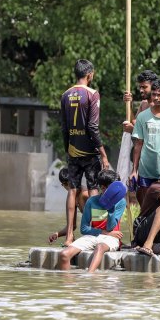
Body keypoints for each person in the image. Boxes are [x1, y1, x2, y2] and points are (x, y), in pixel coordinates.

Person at [60, 59, 110, 245]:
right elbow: (92, 126)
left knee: (72, 190)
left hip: (72, 150)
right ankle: (97, 232)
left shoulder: (65, 95)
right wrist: (103, 153)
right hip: (89, 151)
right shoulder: (92, 94)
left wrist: (68, 149)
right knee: (94, 190)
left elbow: (64, 128)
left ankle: (70, 237)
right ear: (90, 75)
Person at [58, 170, 127, 273]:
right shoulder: (92, 201)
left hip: (111, 238)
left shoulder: (121, 202)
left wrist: (110, 208)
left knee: (99, 247)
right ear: (103, 188)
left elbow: (110, 227)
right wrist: (104, 232)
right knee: (64, 255)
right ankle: (69, 287)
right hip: (94, 236)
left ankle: (89, 277)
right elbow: (84, 229)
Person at [48, 168, 90, 244]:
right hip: (89, 231)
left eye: (71, 183)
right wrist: (57, 234)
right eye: (66, 184)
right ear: (62, 185)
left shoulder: (86, 194)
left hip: (99, 231)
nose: (70, 186)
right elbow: (72, 226)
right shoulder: (71, 197)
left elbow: (102, 216)